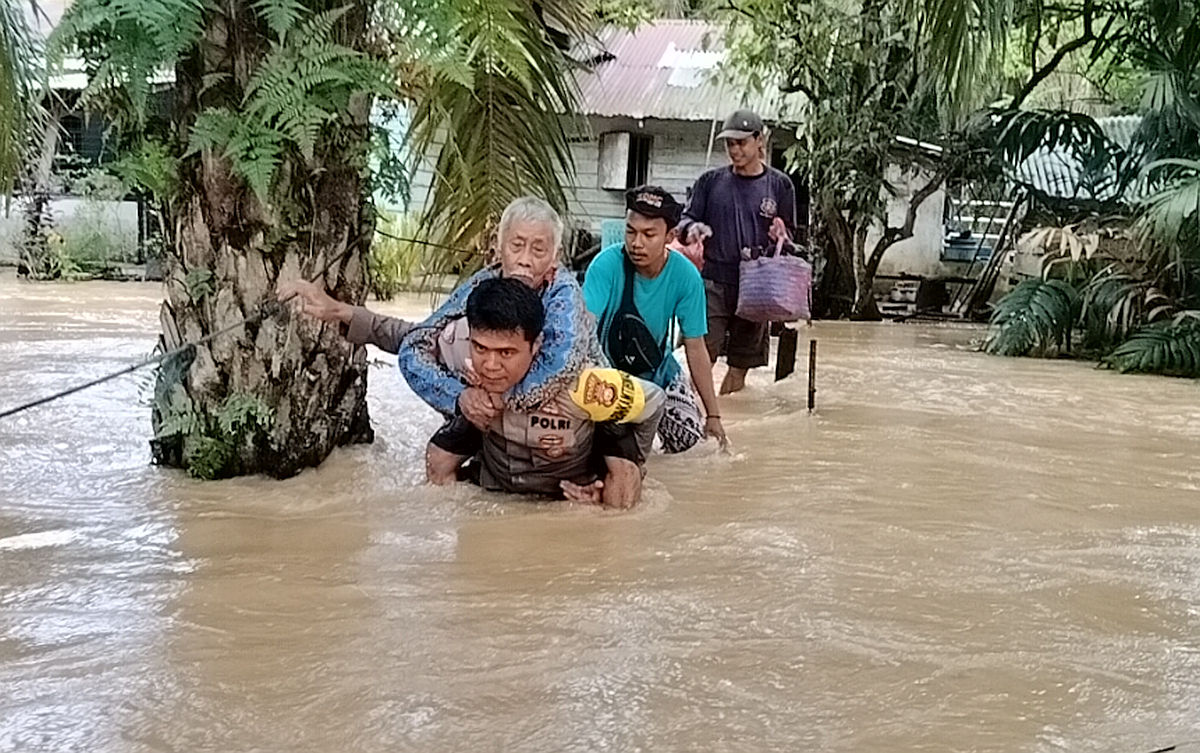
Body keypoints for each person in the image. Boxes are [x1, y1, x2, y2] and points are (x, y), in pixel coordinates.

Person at [424, 277, 664, 508]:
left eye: (506, 353)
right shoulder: (458, 354)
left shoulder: (585, 385)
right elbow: (412, 348)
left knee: (625, 479)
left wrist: (635, 468)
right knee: (438, 458)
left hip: (574, 487)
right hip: (498, 479)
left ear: (536, 345)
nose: (490, 365)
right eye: (480, 348)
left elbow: (655, 401)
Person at [582, 185, 726, 453]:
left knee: (692, 449)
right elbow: (583, 331)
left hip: (658, 373)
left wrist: (713, 416)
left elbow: (696, 347)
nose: (637, 243)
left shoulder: (686, 277)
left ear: (670, 236)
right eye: (630, 231)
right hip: (606, 374)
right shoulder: (605, 265)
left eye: (649, 234)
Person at [678, 109, 799, 395]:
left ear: (760, 141)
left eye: (741, 142)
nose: (734, 150)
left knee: (740, 363)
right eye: (729, 143)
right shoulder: (710, 182)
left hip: (758, 285)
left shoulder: (780, 185)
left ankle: (729, 420)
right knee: (701, 355)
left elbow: (792, 240)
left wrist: (782, 234)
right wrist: (692, 228)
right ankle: (692, 417)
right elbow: (684, 221)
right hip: (713, 282)